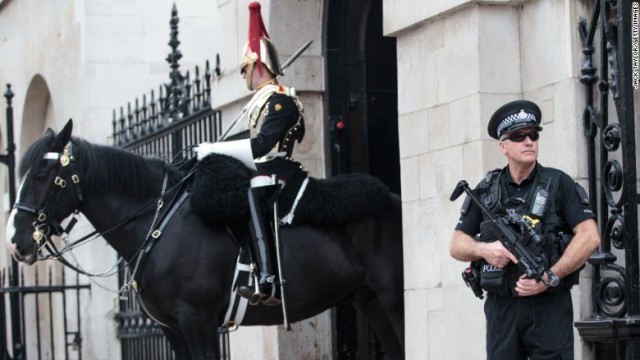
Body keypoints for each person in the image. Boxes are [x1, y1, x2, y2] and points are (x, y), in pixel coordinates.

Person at [449, 99, 601, 358]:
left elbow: (589, 236)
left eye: (533, 135)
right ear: (503, 146)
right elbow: (456, 244)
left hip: (548, 306)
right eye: (519, 136)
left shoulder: (558, 183)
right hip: (502, 307)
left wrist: (551, 275)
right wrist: (485, 249)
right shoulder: (486, 189)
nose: (529, 141)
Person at [196, 1, 304, 306]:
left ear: (258, 65)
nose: (244, 73)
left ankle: (268, 278)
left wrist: (215, 148)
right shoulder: (262, 101)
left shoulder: (280, 102)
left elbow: (262, 146)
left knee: (250, 192)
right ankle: (248, 267)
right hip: (264, 169)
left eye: (245, 67)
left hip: (280, 170)